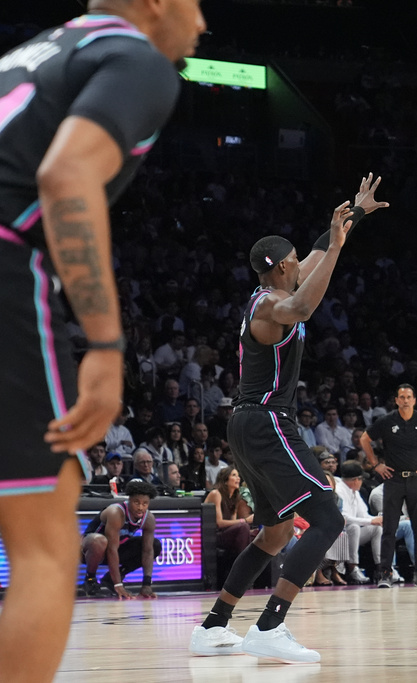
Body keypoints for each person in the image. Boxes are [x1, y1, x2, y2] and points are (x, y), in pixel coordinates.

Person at [0, 1, 203, 678]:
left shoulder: (35, 53)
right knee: (44, 549)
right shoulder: (136, 58)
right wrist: (108, 347)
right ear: (156, 4)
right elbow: (65, 176)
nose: (201, 24)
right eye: (197, 4)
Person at [188, 173, 387, 663]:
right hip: (267, 422)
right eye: (296, 260)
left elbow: (319, 252)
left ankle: (213, 625)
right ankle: (270, 625)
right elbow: (303, 303)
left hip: (250, 423)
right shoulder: (274, 305)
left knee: (275, 532)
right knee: (327, 517)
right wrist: (338, 249)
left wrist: (351, 216)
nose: (304, 262)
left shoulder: (272, 291)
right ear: (280, 268)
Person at [359, 384, 417, 588]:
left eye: (409, 397)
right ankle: (385, 573)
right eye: (402, 397)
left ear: (414, 400)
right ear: (396, 400)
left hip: (416, 478)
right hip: (394, 478)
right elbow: (364, 439)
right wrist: (376, 465)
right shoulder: (387, 421)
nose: (405, 400)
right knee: (389, 528)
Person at [80, 480, 161, 599]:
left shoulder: (149, 519)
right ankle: (90, 579)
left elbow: (148, 551)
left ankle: (110, 579)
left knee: (155, 545)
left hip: (115, 549)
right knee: (99, 541)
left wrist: (146, 584)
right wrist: (118, 584)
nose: (140, 507)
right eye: (136, 502)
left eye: (145, 504)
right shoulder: (116, 513)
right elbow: (112, 549)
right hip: (88, 550)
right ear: (129, 500)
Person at [336, 461, 382, 584]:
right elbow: (344, 517)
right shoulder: (339, 491)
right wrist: (371, 520)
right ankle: (352, 568)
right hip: (339, 534)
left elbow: (364, 515)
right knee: (354, 527)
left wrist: (375, 520)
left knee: (376, 528)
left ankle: (381, 567)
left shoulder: (355, 492)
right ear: (356, 480)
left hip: (352, 535)